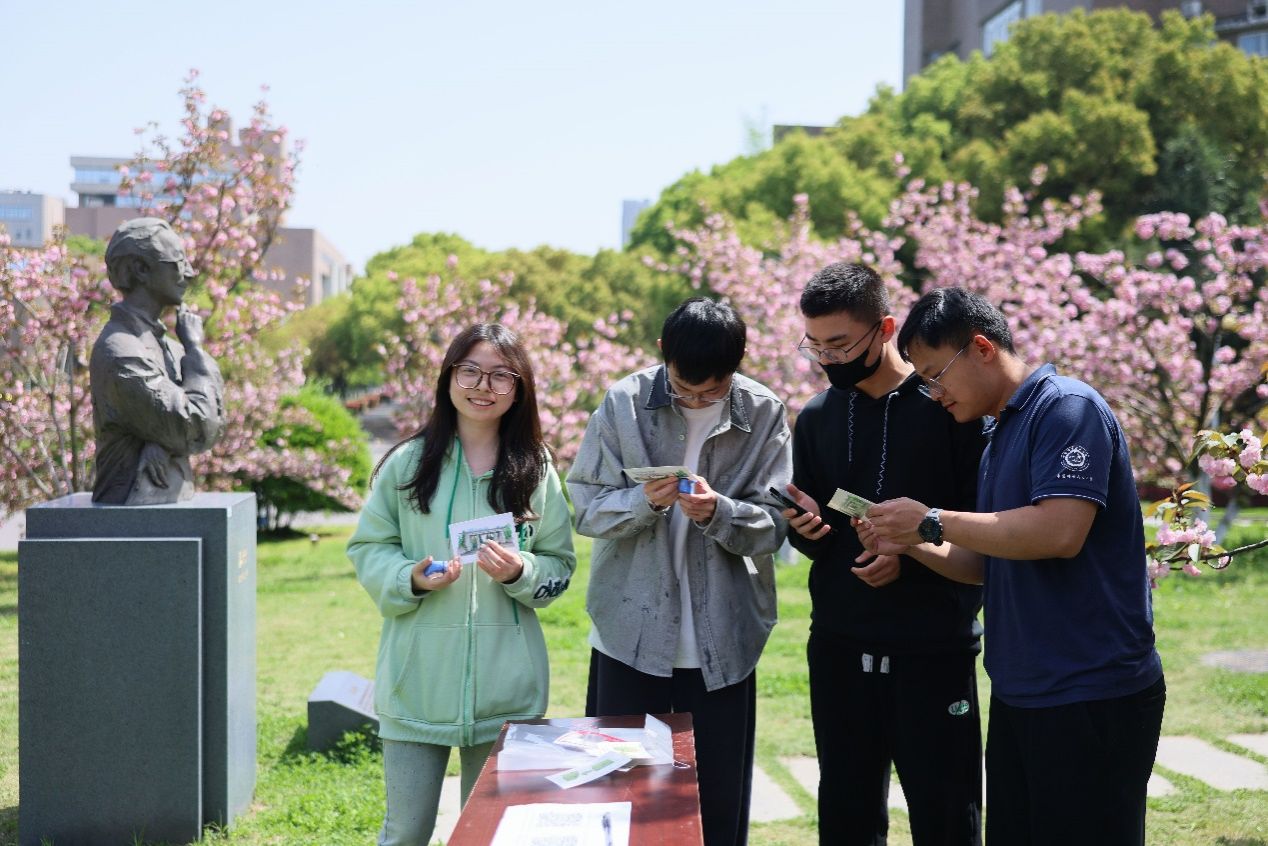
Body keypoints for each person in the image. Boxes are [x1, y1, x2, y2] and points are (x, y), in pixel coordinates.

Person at [864, 287, 1165, 846]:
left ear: (980, 347)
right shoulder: (998, 431)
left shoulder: (1067, 409)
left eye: (935, 375)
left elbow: (1058, 532)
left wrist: (931, 519)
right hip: (1022, 693)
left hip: (1092, 692)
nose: (933, 394)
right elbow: (987, 561)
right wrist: (911, 541)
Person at [566, 297, 791, 846]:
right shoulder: (623, 402)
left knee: (716, 806)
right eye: (684, 389)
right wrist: (644, 501)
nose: (695, 400)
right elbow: (586, 508)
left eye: (711, 393)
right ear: (664, 352)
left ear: (737, 366)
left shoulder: (763, 412)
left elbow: (778, 523)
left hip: (725, 637)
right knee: (622, 800)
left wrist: (722, 512)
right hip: (628, 632)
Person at [779, 263, 987, 845]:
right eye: (814, 344)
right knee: (846, 812)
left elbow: (981, 530)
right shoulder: (819, 415)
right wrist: (807, 529)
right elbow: (813, 537)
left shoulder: (949, 406)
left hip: (934, 647)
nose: (827, 358)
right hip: (840, 644)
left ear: (886, 328)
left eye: (841, 344)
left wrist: (913, 547)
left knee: (947, 812)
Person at [347, 323, 576, 846]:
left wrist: (521, 572)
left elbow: (559, 564)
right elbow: (367, 547)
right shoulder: (408, 462)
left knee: (491, 836)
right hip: (416, 682)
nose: (482, 385)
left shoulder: (535, 468)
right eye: (469, 370)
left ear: (519, 389)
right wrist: (409, 577)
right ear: (449, 377)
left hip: (508, 689)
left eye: (500, 375)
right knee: (405, 832)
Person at [90, 216, 224, 504]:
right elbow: (197, 425)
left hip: (166, 499)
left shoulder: (173, 348)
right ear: (140, 269)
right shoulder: (122, 352)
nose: (189, 272)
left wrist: (162, 440)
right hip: (130, 507)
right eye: (177, 262)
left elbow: (215, 421)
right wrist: (196, 350)